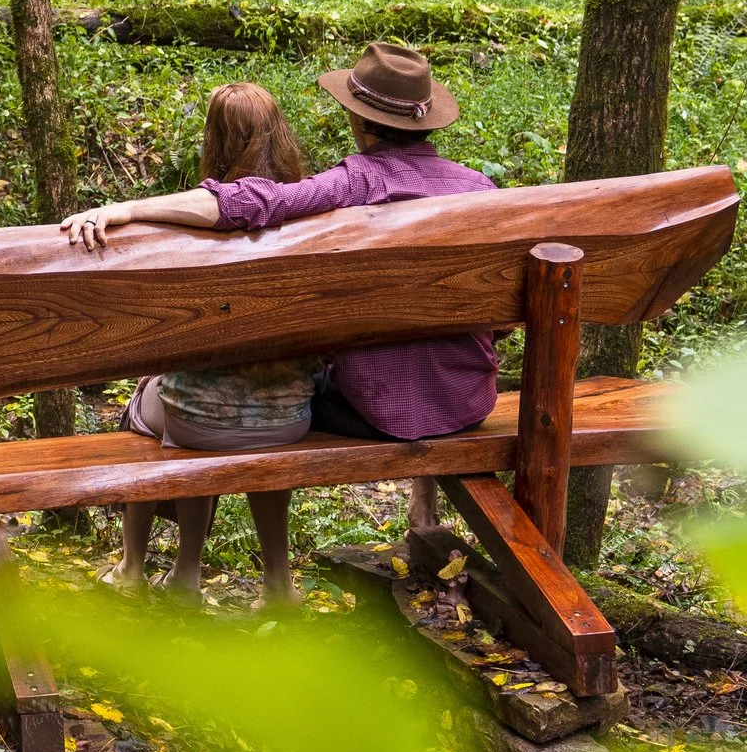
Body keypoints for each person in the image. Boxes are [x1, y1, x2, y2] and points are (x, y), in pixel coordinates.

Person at [60, 43, 499, 537]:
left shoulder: (354, 184)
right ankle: (423, 512)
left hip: (375, 411)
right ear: (427, 122)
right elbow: (499, 320)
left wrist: (127, 210)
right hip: (466, 404)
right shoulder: (480, 192)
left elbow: (251, 202)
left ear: (359, 119)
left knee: (287, 392)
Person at [94, 82, 316, 603]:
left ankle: (149, 570)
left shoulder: (187, 231)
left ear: (214, 138)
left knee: (157, 407)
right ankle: (279, 583)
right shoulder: (314, 216)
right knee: (237, 406)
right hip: (292, 419)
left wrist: (127, 209)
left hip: (198, 422)